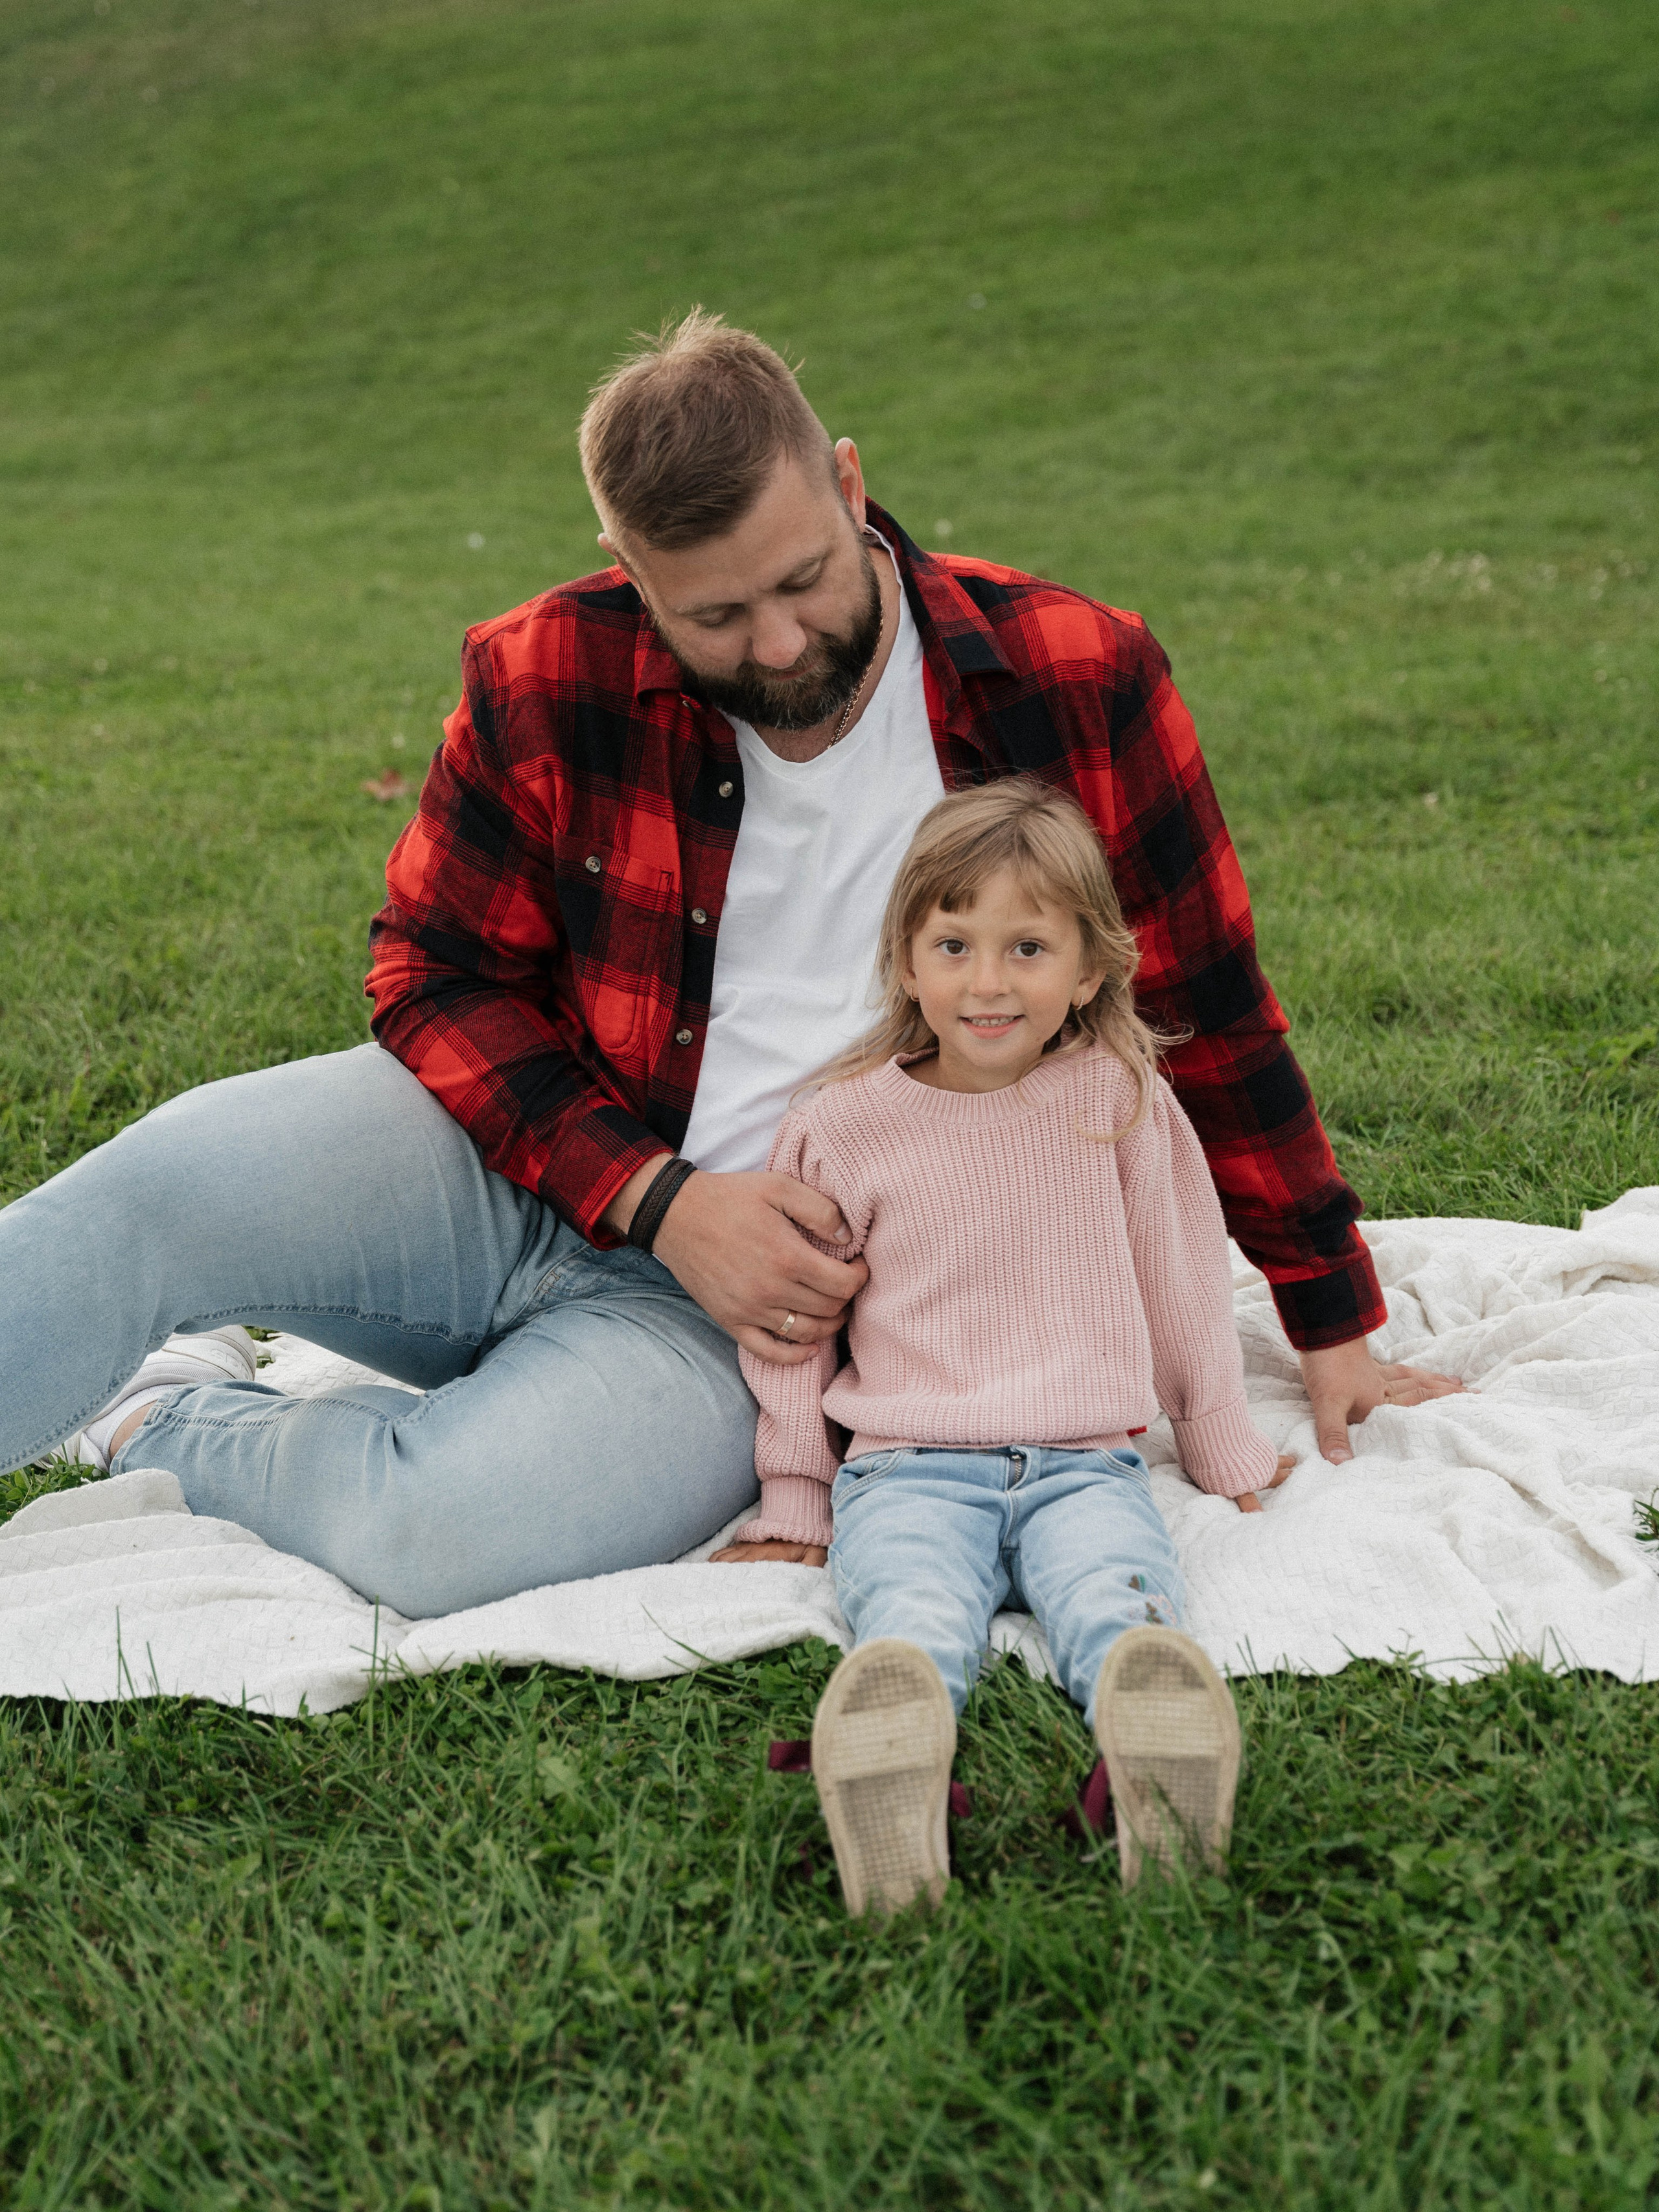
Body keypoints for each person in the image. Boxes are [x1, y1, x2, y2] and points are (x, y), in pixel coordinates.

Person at [0, 311, 1456, 1618]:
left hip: (770, 1320)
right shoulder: (540, 673)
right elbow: (430, 975)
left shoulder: (1072, 673)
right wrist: (656, 1196)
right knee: (140, 1198)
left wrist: (1327, 1312)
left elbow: (1206, 1011)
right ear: (628, 575)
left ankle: (164, 1423)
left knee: (438, 1535)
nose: (777, 644)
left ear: (847, 481)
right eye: (712, 617)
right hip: (526, 1168)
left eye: (803, 582)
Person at [716, 779, 1288, 1913]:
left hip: (1086, 1459)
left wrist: (1224, 1446)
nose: (988, 980)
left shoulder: (1117, 1097)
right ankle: (897, 1748)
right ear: (907, 960)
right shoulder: (841, 1124)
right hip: (906, 1466)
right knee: (912, 1616)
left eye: (1028, 946)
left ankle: (1148, 1728)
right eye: (955, 942)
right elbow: (795, 1329)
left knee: (1118, 1603)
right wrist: (796, 1496)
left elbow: (1182, 1274)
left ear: (1087, 971)